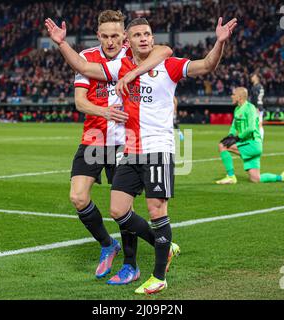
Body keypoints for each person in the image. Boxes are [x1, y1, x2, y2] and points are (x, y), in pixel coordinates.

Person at [48, 15, 237, 294]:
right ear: (129, 40)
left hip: (157, 148)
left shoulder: (167, 64)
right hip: (129, 149)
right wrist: (62, 44)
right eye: (137, 35)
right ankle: (154, 245)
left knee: (156, 210)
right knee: (118, 209)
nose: (144, 38)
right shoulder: (119, 65)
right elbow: (83, 65)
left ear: (150, 36)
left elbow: (205, 65)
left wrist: (220, 42)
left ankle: (157, 275)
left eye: (147, 34)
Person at [45, 10, 175, 282]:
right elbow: (80, 102)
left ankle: (131, 265)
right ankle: (109, 244)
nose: (110, 41)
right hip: (94, 137)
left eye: (116, 35)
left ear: (124, 36)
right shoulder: (88, 57)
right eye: (105, 36)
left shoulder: (135, 54)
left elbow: (164, 50)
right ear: (98, 35)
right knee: (78, 197)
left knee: (121, 209)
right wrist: (105, 111)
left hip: (126, 142)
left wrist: (133, 75)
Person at [216, 87, 284, 184]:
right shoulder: (237, 109)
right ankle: (282, 177)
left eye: (233, 94)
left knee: (222, 146)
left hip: (253, 144)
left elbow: (251, 127)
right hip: (248, 143)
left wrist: (237, 137)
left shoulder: (250, 108)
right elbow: (234, 126)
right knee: (255, 179)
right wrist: (230, 135)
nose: (231, 96)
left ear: (240, 97)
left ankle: (231, 176)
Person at [250, 73, 265, 139]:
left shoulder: (256, 87)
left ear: (257, 78)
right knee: (258, 124)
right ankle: (258, 138)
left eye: (253, 76)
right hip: (259, 106)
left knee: (258, 124)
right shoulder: (260, 86)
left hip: (256, 108)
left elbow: (255, 97)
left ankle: (260, 139)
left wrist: (256, 107)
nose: (251, 77)